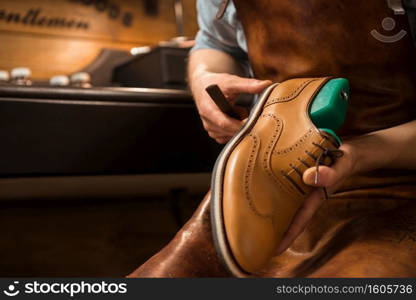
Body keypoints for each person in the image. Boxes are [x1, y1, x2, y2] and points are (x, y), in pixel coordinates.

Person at [129, 0, 416, 277]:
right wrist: (206, 77)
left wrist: (360, 154)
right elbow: (215, 42)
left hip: (400, 185)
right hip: (271, 178)